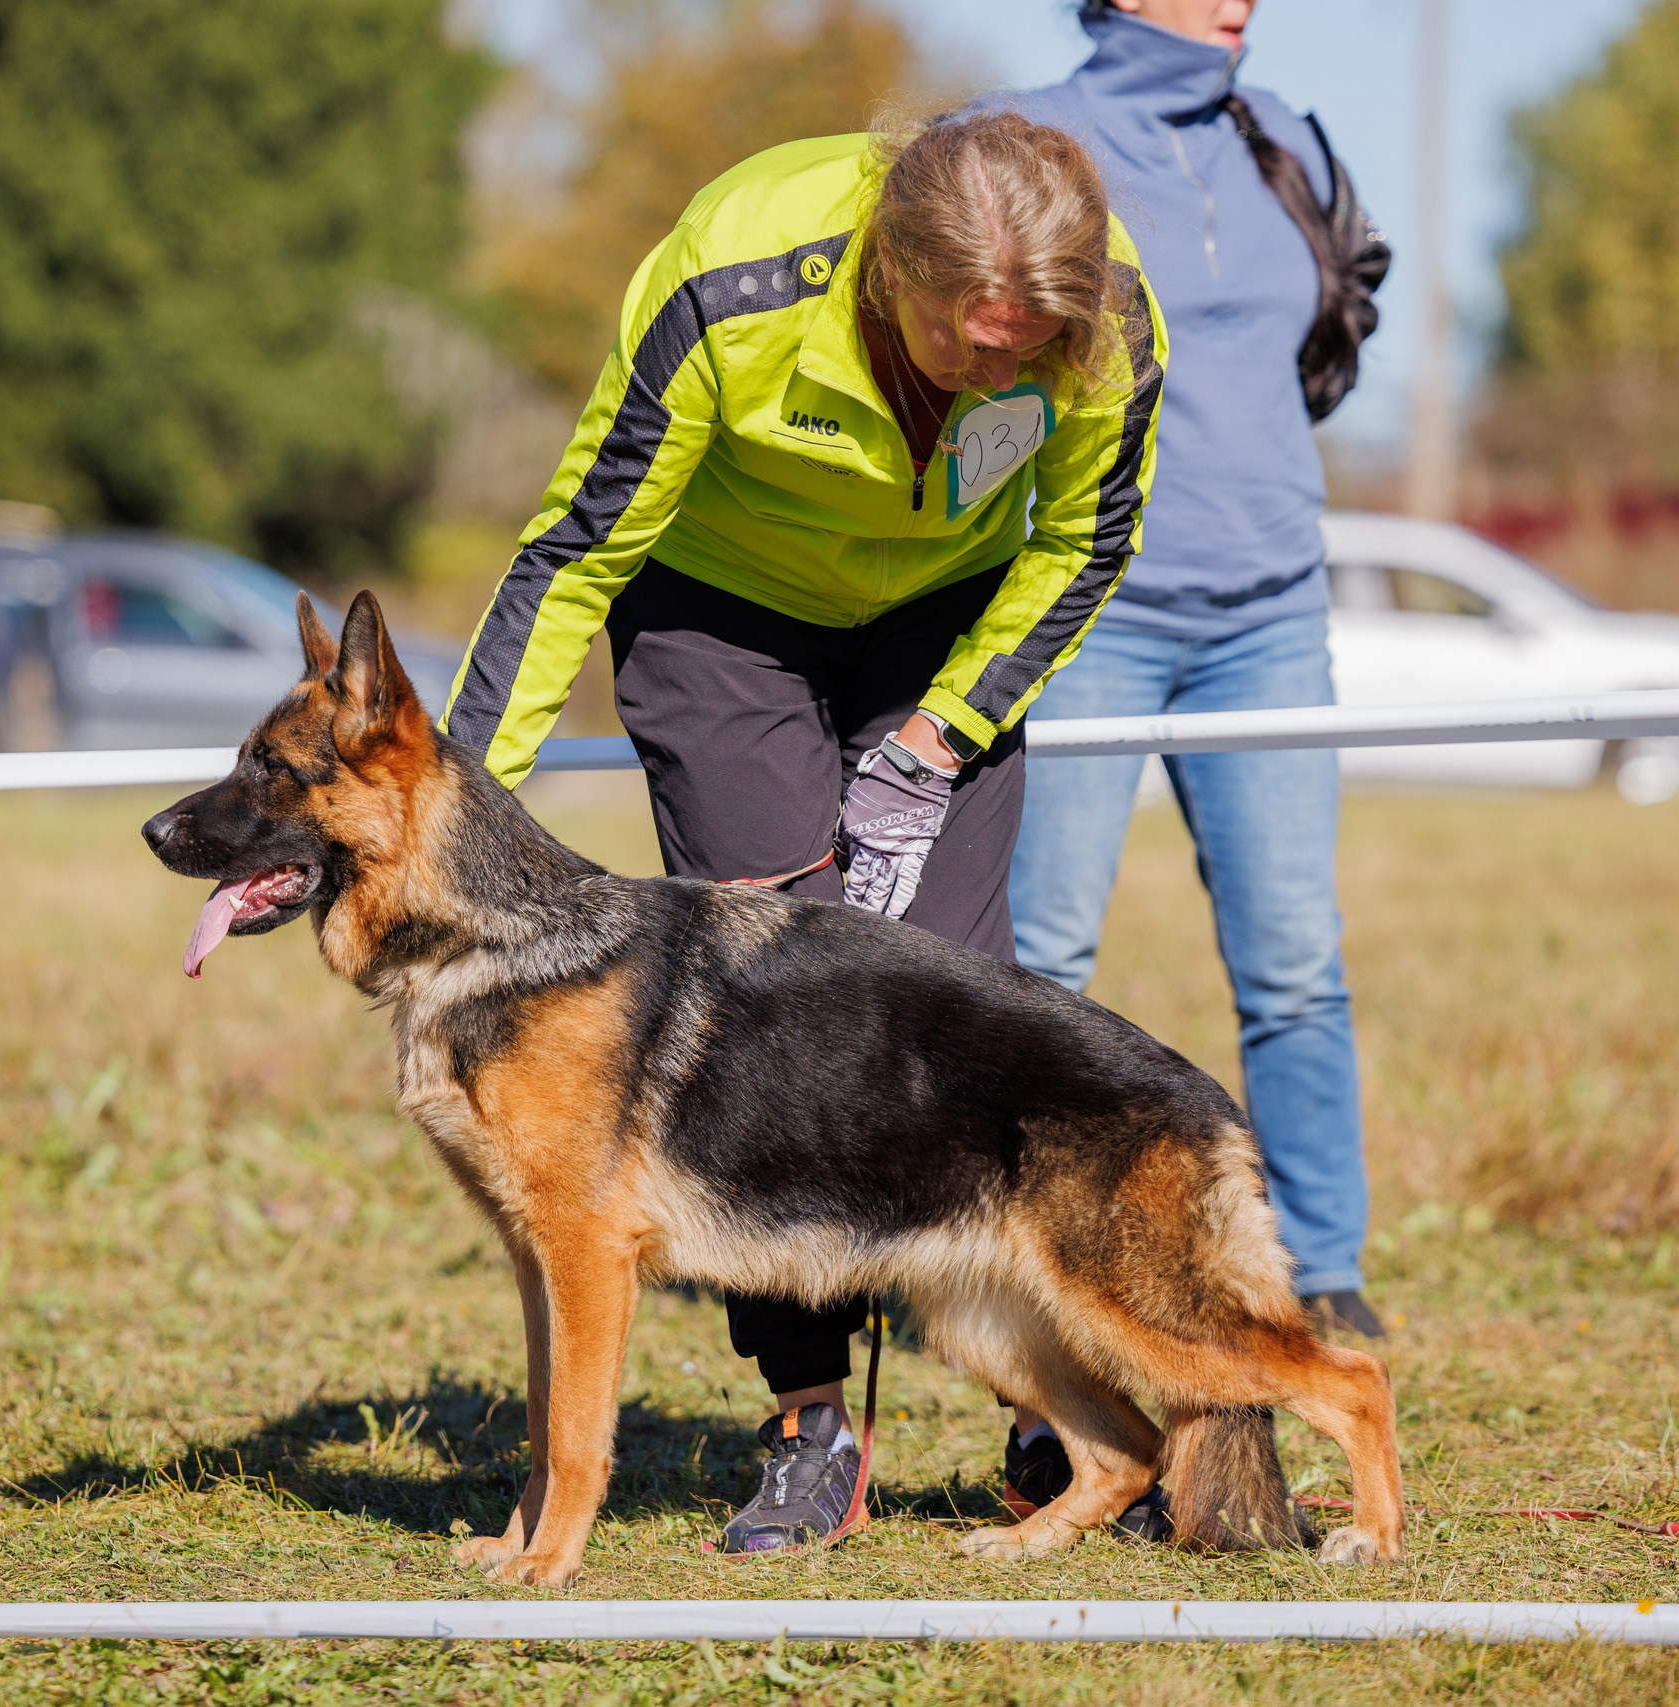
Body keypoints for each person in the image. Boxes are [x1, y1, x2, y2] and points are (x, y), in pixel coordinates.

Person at [439, 112, 1166, 1553]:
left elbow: (1086, 542)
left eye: (1030, 350)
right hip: (722, 613)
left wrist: (942, 733)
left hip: (943, 619)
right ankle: (808, 1419)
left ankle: (1052, 1422)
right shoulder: (730, 280)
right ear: (891, 267)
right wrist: (457, 821)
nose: (1000, 369)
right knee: (757, 1028)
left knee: (956, 1003)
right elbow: (578, 552)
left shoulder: (1103, 321)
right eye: (973, 337)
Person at [974, 0, 1384, 1519]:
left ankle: (1325, 1276)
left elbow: (1337, 321)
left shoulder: (1284, 143)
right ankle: (1038, 1279)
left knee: (1293, 960)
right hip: (1096, 604)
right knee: (1048, 957)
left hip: (1274, 605)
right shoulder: (1031, 138)